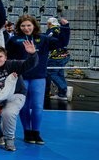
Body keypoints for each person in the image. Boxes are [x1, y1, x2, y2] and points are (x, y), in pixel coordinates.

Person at [6, 15, 70, 145]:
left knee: (37, 106)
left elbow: (62, 43)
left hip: (38, 77)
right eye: (23, 26)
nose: (26, 28)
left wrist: (65, 27)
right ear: (19, 27)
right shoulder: (14, 40)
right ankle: (27, 132)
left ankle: (36, 132)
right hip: (21, 77)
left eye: (29, 25)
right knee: (23, 106)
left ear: (34, 26)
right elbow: (8, 56)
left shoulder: (44, 39)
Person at [0, 43, 38, 152]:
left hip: (15, 95)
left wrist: (32, 54)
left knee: (8, 113)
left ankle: (9, 140)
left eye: (0, 56)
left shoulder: (13, 65)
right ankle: (3, 133)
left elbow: (29, 64)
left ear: (5, 57)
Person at [46, 17, 71, 101]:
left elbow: (48, 40)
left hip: (56, 56)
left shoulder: (51, 30)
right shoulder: (61, 29)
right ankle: (62, 93)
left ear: (49, 24)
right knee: (60, 73)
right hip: (65, 55)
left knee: (51, 73)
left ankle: (63, 89)